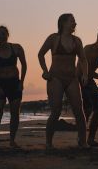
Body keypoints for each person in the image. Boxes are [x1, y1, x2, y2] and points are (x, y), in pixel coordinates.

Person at [38, 13, 88, 150]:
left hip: (72, 78)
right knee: (56, 111)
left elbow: (83, 59)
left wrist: (85, 75)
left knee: (79, 110)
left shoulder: (77, 40)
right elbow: (40, 54)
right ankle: (48, 143)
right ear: (63, 23)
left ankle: (83, 141)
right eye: (72, 21)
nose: (75, 24)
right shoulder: (53, 38)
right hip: (56, 78)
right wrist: (45, 71)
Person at [0, 25, 27, 148]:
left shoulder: (17, 48)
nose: (0, 36)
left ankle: (12, 140)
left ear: (7, 34)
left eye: (2, 33)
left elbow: (24, 65)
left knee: (15, 112)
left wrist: (21, 82)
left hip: (14, 83)